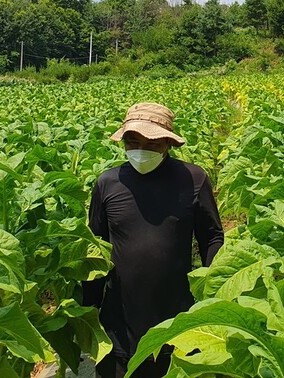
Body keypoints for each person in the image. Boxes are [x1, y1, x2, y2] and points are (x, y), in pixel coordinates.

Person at [83, 102, 225, 378]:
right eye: (134, 141)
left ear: (167, 144)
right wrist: (89, 306)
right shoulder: (108, 183)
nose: (141, 149)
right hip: (120, 320)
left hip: (177, 315)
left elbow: (211, 236)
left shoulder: (193, 179)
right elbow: (96, 248)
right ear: (123, 141)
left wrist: (212, 291)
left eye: (152, 142)